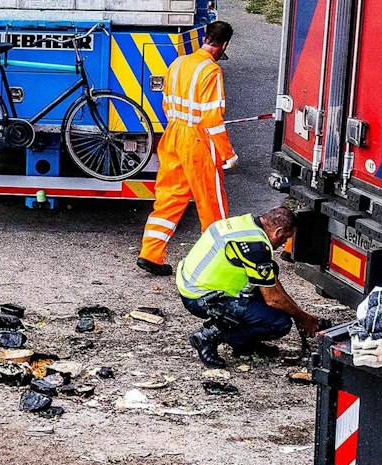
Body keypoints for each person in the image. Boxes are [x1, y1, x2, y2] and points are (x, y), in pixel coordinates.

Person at [138, 19, 236, 275]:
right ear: (223, 45)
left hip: (172, 134)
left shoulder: (178, 62)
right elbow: (212, 119)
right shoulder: (211, 72)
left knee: (169, 198)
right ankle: (218, 263)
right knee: (211, 202)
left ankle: (150, 254)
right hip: (197, 141)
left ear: (206, 38)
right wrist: (228, 153)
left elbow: (166, 101)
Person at [177, 206, 321, 366]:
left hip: (192, 283)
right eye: (284, 239)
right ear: (278, 232)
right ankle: (208, 336)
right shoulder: (256, 248)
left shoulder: (244, 223)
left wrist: (299, 314)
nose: (283, 244)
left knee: (271, 270)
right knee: (279, 323)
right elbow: (273, 299)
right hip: (199, 298)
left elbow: (272, 283)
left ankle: (245, 344)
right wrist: (304, 318)